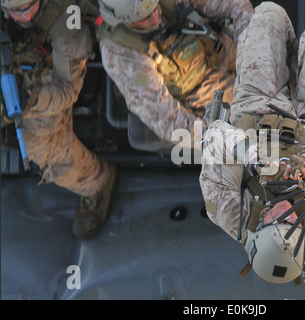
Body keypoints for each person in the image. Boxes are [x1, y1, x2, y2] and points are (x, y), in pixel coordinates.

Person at [199, 2, 305, 284]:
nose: (284, 212)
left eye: (274, 219)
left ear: (256, 229)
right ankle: (304, 62)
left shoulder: (228, 212)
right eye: (291, 221)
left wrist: (251, 157)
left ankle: (295, 59)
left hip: (257, 107)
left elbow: (214, 136)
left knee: (268, 15)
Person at [1, 0, 118, 239]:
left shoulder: (67, 25)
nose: (25, 16)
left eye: (29, 7)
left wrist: (32, 101)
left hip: (44, 82)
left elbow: (67, 91)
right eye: (16, 11)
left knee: (45, 149)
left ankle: (96, 182)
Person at [96, 0, 254, 146]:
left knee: (269, 16)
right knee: (257, 123)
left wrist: (251, 48)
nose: (155, 18)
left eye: (154, 9)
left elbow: (235, 4)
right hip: (202, 92)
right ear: (122, 20)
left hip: (219, 46)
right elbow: (167, 119)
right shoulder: (121, 54)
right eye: (143, 19)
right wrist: (218, 138)